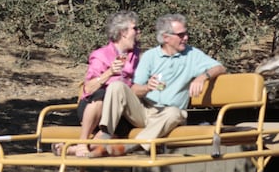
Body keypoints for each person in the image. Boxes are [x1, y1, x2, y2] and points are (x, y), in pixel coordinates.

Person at [91, 13, 227, 156]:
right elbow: (135, 89)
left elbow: (220, 68)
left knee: (176, 113)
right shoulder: (150, 56)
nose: (186, 38)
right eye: (181, 35)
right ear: (165, 37)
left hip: (168, 115)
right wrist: (147, 88)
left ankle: (131, 147)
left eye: (186, 33)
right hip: (145, 111)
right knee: (116, 86)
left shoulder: (192, 54)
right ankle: (105, 136)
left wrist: (202, 77)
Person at [53, 10, 141, 157]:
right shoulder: (101, 55)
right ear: (123, 32)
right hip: (94, 108)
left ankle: (70, 149)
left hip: (119, 110)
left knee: (113, 136)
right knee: (100, 95)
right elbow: (88, 88)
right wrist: (109, 72)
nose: (138, 32)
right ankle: (82, 142)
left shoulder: (135, 55)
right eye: (135, 28)